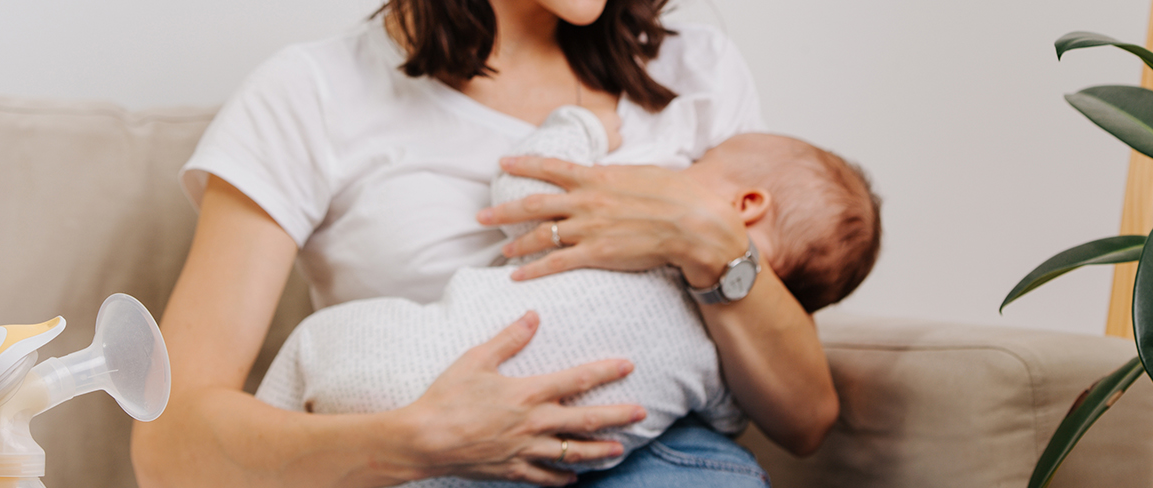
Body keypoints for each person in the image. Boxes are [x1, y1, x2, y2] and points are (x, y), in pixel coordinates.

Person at [132, 0, 847, 485]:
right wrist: (410, 442)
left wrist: (707, 237)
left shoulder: (700, 75)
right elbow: (168, 446)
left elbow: (804, 419)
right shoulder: (312, 95)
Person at [256, 106, 881, 487]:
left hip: (385, 365)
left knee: (310, 349)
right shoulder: (727, 370)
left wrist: (578, 127)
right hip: (497, 469)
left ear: (746, 206)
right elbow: (739, 415)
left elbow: (526, 192)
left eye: (701, 161)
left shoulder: (616, 240)